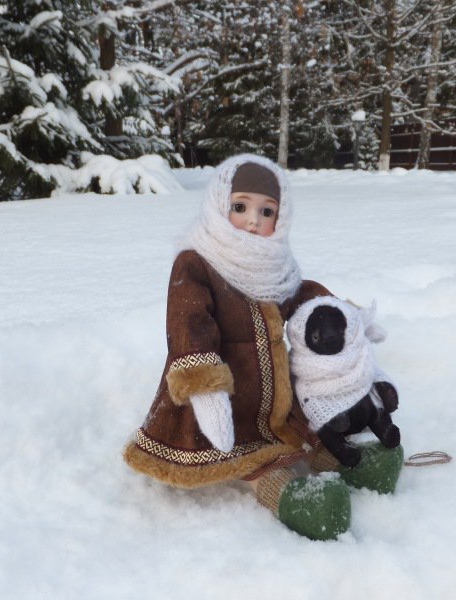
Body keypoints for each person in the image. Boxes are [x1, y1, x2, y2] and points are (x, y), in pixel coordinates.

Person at [123, 154, 401, 540]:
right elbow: (189, 323)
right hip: (226, 402)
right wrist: (206, 389)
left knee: (302, 428)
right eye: (240, 207)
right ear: (220, 207)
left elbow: (301, 299)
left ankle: (340, 460)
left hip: (275, 397)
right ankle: (289, 495)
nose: (253, 220)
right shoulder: (197, 263)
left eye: (266, 211)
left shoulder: (275, 264)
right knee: (251, 454)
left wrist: (340, 318)